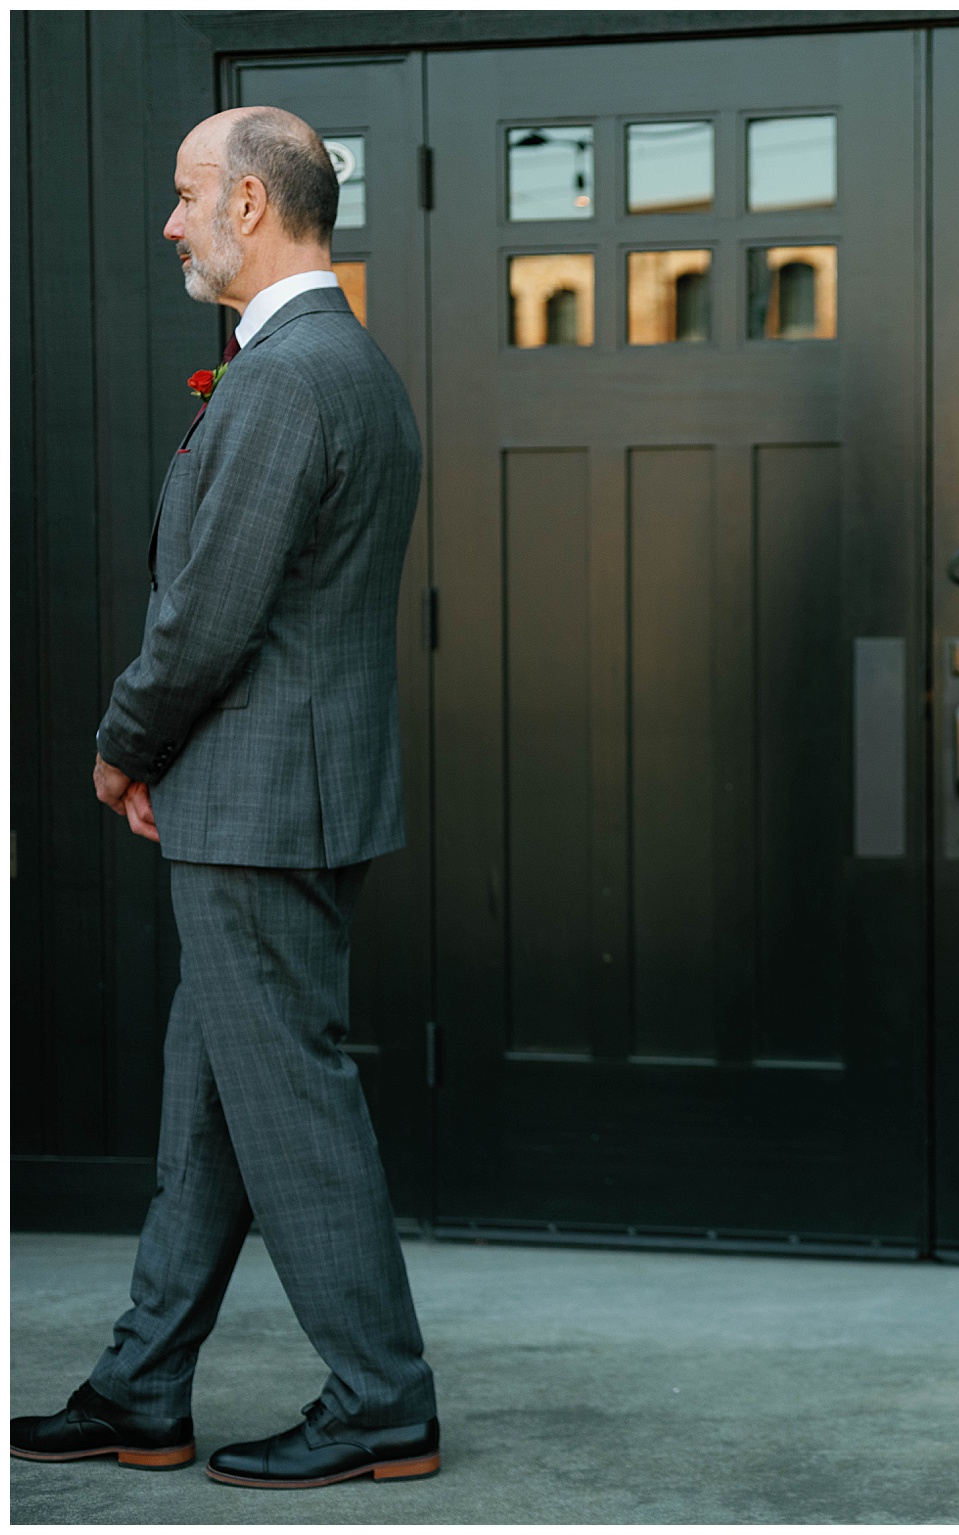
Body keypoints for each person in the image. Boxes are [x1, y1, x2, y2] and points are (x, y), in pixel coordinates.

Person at [9, 107, 440, 1489]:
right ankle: (143, 1385)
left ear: (253, 204)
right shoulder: (345, 366)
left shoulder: (285, 379)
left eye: (189, 194)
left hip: (261, 808)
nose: (172, 222)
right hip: (270, 793)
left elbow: (204, 621)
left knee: (292, 1105)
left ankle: (382, 1400)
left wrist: (123, 745)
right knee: (211, 1103)